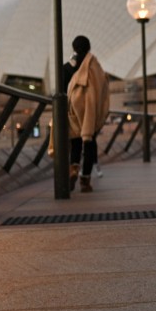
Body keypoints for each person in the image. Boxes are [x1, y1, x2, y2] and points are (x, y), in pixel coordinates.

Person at [67, 35, 110, 193]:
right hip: (91, 111)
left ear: (74, 49)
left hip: (76, 110)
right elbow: (103, 87)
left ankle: (73, 170)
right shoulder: (95, 65)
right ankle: (85, 180)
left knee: (76, 143)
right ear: (89, 47)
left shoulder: (73, 65)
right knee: (89, 144)